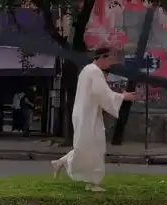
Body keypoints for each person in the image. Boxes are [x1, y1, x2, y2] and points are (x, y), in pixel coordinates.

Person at [52, 47, 136, 191]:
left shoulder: (87, 70)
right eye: (109, 59)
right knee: (95, 146)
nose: (110, 63)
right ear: (102, 57)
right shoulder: (94, 72)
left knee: (86, 145)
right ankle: (93, 182)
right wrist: (123, 96)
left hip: (85, 114)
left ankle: (62, 162)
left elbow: (99, 93)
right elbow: (102, 93)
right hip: (88, 115)